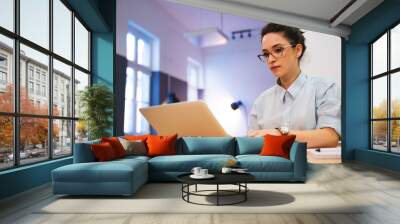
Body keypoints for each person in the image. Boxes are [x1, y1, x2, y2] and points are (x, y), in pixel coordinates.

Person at [248, 23, 340, 148]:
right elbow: (251, 143)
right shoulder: (261, 102)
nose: (270, 59)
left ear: (298, 50)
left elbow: (329, 137)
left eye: (278, 50)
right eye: (266, 54)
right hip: (270, 167)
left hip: (313, 167)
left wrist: (278, 135)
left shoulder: (325, 89)